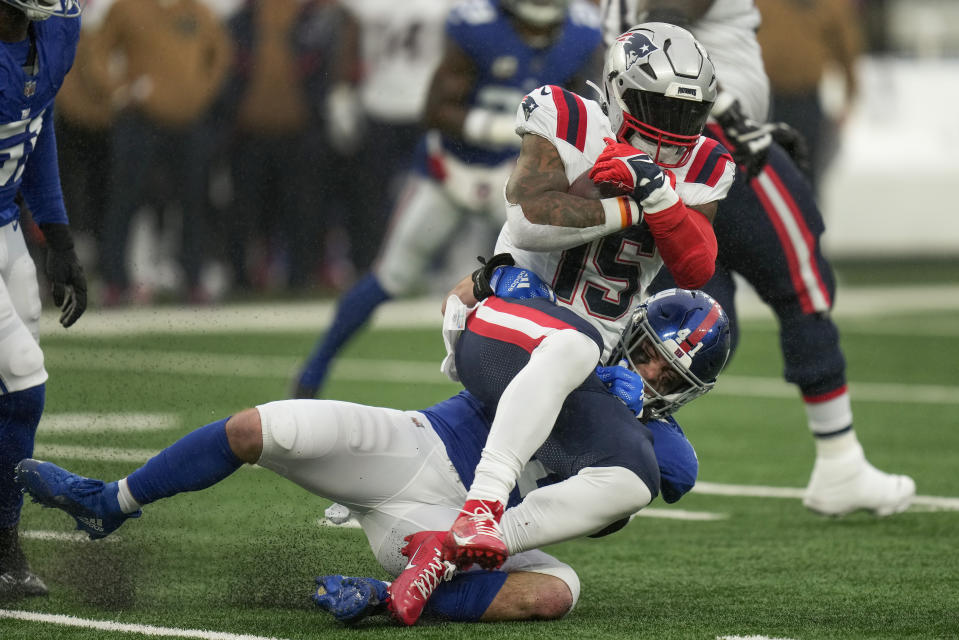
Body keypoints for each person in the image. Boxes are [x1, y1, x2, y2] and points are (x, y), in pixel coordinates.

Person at [15, 280, 729, 624]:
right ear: (629, 332)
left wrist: (618, 407)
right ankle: (109, 503)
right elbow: (481, 296)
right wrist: (582, 365)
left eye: (671, 375)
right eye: (646, 355)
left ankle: (388, 598)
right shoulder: (571, 340)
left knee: (555, 591)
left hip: (455, 537)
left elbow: (673, 472)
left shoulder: (654, 442)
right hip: (418, 448)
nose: (650, 375)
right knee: (251, 430)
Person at [407, 22, 734, 609]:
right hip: (512, 314)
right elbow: (532, 218)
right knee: (571, 346)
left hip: (592, 353)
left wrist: (658, 193)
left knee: (670, 468)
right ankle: (471, 504)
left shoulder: (704, 163)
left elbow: (695, 265)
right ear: (619, 91)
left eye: (686, 114)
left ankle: (461, 536)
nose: (671, 127)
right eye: (656, 106)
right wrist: (635, 204)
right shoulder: (571, 117)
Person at [599, 0, 914, 517]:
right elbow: (666, 25)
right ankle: (842, 461)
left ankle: (597, 443)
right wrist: (730, 112)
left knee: (694, 319)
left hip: (665, 137)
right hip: (711, 140)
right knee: (803, 278)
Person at [291, 0, 605, 399]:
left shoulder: (581, 31)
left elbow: (583, 114)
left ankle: (580, 384)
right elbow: (435, 110)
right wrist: (500, 128)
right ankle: (313, 370)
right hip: (450, 170)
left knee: (561, 279)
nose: (537, 34)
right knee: (391, 275)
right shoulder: (475, 26)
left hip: (515, 179)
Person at [0, 0, 86, 600]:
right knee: (24, 381)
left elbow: (37, 119)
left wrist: (57, 239)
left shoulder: (55, 31)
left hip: (6, 230)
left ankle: (4, 548)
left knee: (15, 401)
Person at [88, 0, 232, 305]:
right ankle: (115, 280)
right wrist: (117, 90)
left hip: (188, 122)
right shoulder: (127, 8)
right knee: (124, 200)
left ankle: (193, 278)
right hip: (140, 120)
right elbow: (97, 51)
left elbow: (221, 53)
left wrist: (201, 91)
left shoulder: (195, 10)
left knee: (194, 200)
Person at [755, 0, 863, 192]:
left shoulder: (831, 6)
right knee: (765, 176)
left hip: (806, 100)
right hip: (767, 98)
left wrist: (850, 97)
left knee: (807, 175)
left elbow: (847, 51)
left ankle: (805, 220)